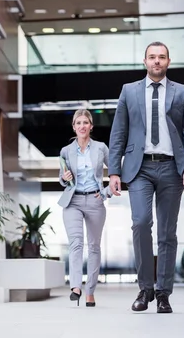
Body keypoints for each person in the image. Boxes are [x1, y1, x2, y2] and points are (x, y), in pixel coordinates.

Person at [108, 41, 184, 313]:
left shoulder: (183, 93)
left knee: (167, 233)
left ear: (168, 62)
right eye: (152, 57)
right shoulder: (129, 91)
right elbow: (118, 133)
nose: (156, 61)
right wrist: (114, 170)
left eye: (161, 57)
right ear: (145, 61)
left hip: (172, 168)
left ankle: (163, 293)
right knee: (140, 223)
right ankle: (145, 288)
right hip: (139, 168)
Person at [58, 109, 119, 307]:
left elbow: (116, 171)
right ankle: (76, 286)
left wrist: (105, 193)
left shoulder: (101, 148)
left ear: (91, 126)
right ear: (73, 127)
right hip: (72, 201)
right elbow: (63, 178)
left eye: (86, 122)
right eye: (78, 123)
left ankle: (90, 291)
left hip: (94, 201)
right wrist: (64, 178)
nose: (82, 126)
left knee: (93, 247)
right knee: (76, 243)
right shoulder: (66, 151)